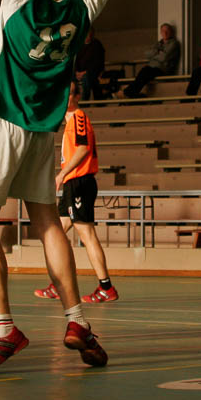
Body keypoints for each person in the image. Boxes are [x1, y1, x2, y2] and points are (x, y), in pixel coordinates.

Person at [0, 0, 188, 375]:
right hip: (45, 129)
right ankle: (76, 318)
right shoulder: (84, 6)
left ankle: (1, 328)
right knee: (46, 222)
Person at [34, 82, 118, 303]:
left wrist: (62, 175)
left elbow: (83, 148)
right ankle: (58, 284)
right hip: (73, 183)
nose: (66, 97)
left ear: (78, 96)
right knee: (57, 233)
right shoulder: (69, 122)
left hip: (79, 182)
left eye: (70, 93)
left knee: (87, 235)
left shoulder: (79, 117)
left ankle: (106, 287)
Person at [119, 23, 179, 98]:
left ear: (171, 32)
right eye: (163, 31)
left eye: (167, 31)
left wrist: (154, 56)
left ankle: (128, 92)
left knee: (145, 72)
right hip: (152, 67)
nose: (165, 33)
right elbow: (147, 54)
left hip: (163, 69)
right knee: (143, 72)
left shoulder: (174, 43)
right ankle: (131, 93)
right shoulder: (159, 43)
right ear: (161, 32)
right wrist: (158, 52)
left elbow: (164, 57)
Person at [75, 28, 106, 99]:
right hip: (79, 72)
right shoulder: (79, 45)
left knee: (87, 78)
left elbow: (97, 63)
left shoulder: (96, 45)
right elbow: (75, 61)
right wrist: (76, 72)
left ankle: (85, 101)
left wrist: (85, 72)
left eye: (89, 34)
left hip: (92, 72)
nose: (87, 37)